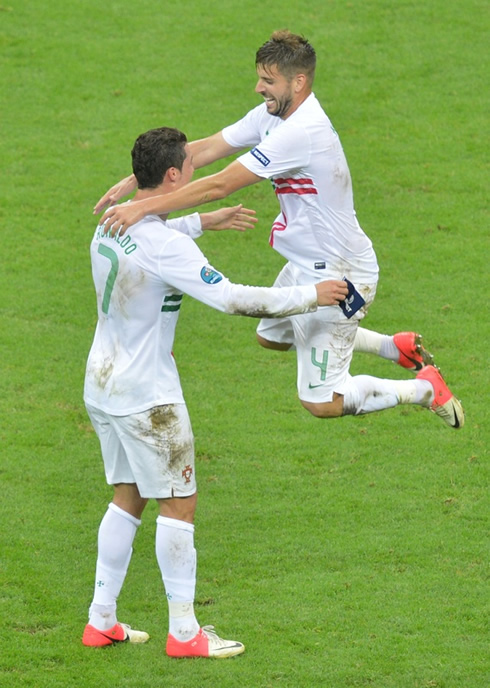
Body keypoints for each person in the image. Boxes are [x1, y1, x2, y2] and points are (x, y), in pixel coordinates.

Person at [94, 30, 464, 430]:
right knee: (271, 335)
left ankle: (425, 389)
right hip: (307, 258)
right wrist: (138, 180)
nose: (258, 88)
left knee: (322, 400)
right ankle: (396, 347)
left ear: (298, 82)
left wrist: (144, 207)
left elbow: (220, 185)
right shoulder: (272, 115)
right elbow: (202, 151)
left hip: (341, 270)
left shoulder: (300, 133)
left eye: (268, 82)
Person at [83, 126, 350, 657]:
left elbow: (158, 225)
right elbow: (231, 299)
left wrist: (207, 219)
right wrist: (310, 295)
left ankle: (101, 619)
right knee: (179, 506)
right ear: (175, 175)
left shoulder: (115, 222)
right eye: (191, 166)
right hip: (148, 397)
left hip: (102, 382)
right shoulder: (164, 244)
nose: (197, 172)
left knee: (127, 497)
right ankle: (184, 632)